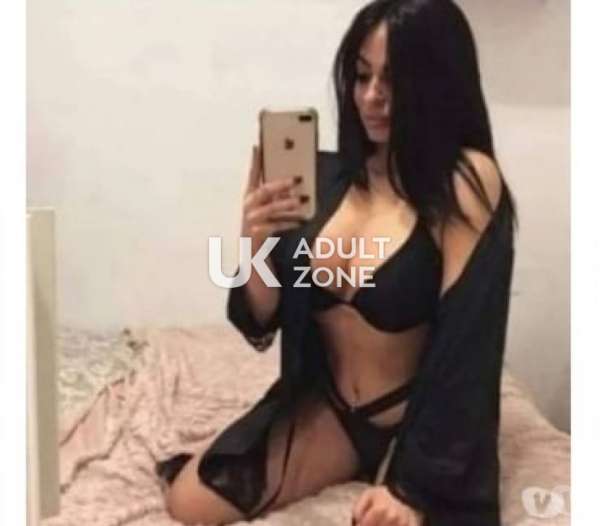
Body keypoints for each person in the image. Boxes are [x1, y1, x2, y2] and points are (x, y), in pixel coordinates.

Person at [156, 0, 518, 525]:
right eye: (362, 76)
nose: (372, 97)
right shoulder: (326, 178)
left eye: (394, 80)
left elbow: (470, 341)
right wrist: (254, 242)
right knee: (188, 503)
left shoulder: (463, 180)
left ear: (438, 83)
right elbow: (260, 320)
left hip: (418, 418)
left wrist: (414, 488)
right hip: (331, 409)